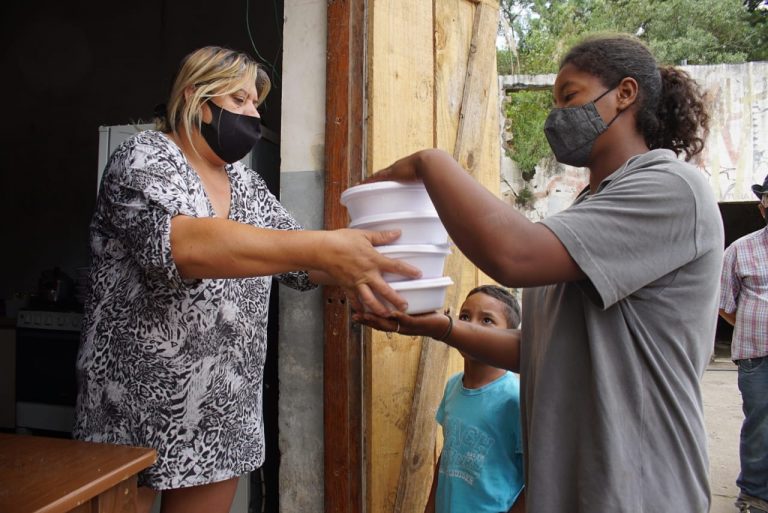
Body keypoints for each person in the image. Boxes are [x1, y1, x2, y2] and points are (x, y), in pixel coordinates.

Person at [357, 33, 722, 512]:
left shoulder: (671, 189)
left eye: (570, 96)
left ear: (626, 93)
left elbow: (514, 255)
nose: (558, 116)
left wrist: (432, 163)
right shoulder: (587, 210)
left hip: (638, 487)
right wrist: (438, 327)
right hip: (571, 486)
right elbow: (543, 352)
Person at [74, 46, 419, 513]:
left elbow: (300, 263)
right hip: (131, 407)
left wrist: (371, 264)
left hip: (222, 409)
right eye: (238, 99)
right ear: (195, 98)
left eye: (256, 103)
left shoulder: (247, 185)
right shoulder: (145, 156)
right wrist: (324, 247)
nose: (253, 114)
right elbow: (182, 247)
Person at [423, 285, 525, 513]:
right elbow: (449, 452)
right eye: (465, 317)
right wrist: (430, 506)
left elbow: (536, 480)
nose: (470, 326)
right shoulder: (453, 385)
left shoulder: (516, 399)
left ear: (509, 336)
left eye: (487, 320)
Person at [718, 173, 768, 513]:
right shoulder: (740, 249)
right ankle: (754, 495)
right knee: (760, 424)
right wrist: (753, 325)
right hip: (755, 355)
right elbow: (724, 304)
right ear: (762, 207)